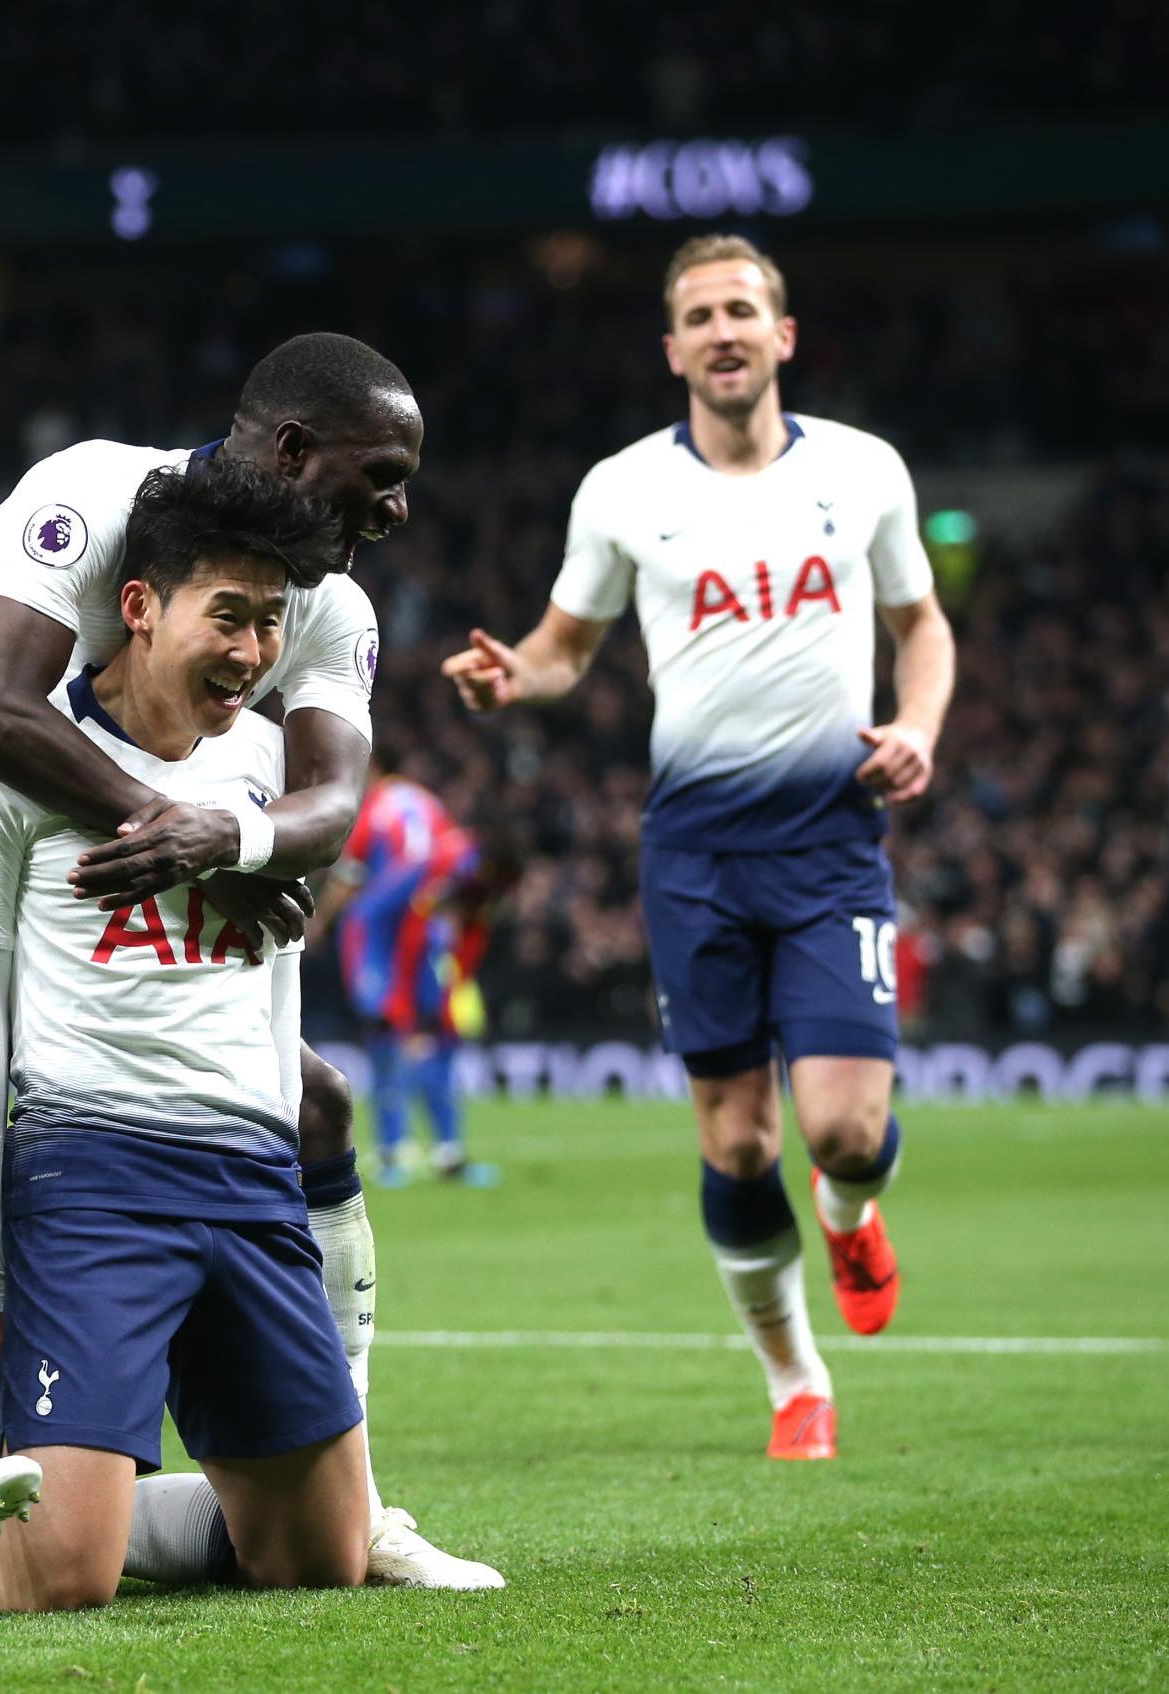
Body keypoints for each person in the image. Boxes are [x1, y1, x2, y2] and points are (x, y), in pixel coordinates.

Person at [0, 331, 496, 1587]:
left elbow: (328, 807)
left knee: (317, 1100)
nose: (393, 509)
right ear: (289, 449)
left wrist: (234, 837)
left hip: (132, 832)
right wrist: (183, 835)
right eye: (377, 476)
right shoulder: (95, 493)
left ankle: (346, 1496)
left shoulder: (324, 605)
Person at [443, 234, 956, 1461]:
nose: (722, 330)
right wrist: (518, 674)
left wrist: (919, 726)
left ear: (780, 336)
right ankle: (795, 1382)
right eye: (697, 316)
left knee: (837, 1130)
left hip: (829, 836)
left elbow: (919, 623)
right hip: (693, 852)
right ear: (671, 349)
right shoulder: (622, 490)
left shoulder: (862, 471)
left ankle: (848, 1211)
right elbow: (568, 645)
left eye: (742, 309)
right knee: (734, 1140)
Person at [317, 748, 499, 1186]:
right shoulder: (427, 802)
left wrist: (319, 923)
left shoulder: (372, 809)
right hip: (427, 936)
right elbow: (456, 866)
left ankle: (393, 1155)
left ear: (372, 766)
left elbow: (349, 880)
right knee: (435, 1039)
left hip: (381, 942)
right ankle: (448, 1152)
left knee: (386, 1042)